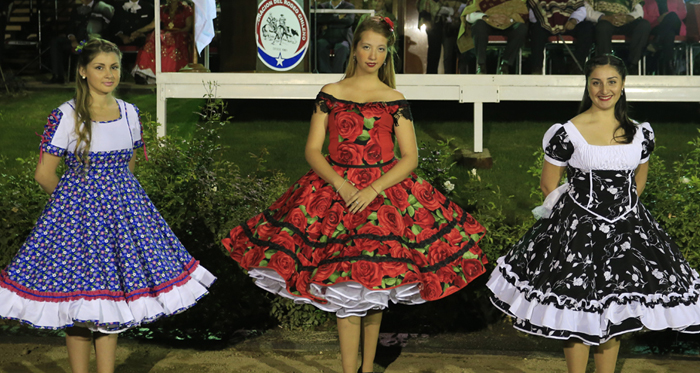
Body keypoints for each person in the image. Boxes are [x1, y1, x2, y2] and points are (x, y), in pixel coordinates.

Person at [222, 16, 488, 373]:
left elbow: (410, 157)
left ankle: (366, 368)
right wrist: (343, 185)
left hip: (383, 198)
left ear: (388, 53)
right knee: (345, 288)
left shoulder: (394, 99)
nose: (373, 55)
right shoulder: (331, 93)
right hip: (336, 193)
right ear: (355, 48)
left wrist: (375, 187)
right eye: (367, 47)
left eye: (380, 49)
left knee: (377, 283)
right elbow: (313, 150)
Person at [0, 38, 215, 373]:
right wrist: (76, 208)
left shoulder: (129, 113)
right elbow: (44, 174)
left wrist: (117, 206)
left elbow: (128, 168)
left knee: (111, 300)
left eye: (114, 66)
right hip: (79, 225)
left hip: (120, 220)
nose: (109, 73)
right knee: (80, 303)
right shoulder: (66, 115)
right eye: (99, 67)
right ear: (83, 71)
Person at [487, 54, 700, 373]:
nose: (604, 89)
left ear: (623, 84)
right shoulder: (568, 132)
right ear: (587, 86)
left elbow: (639, 176)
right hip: (579, 231)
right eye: (596, 82)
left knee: (614, 308)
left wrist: (624, 212)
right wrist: (578, 221)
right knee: (579, 306)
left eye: (612, 82)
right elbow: (549, 184)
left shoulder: (638, 133)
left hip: (626, 230)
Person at [45, 0, 115, 84]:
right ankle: (58, 76)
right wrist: (73, 39)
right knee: (56, 42)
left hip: (94, 41)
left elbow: (108, 29)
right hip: (77, 41)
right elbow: (70, 28)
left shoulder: (102, 8)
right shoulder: (76, 9)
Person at [458, 0, 529, 74]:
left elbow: (523, 14)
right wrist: (486, 18)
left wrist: (510, 20)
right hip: (488, 24)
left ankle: (505, 65)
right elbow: (469, 16)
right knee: (478, 25)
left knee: (521, 28)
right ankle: (481, 65)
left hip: (509, 24)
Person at [132, 0, 193, 84]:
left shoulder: (186, 9)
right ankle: (147, 73)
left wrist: (175, 33)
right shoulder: (162, 9)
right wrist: (138, 31)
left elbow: (188, 26)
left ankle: (171, 75)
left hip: (180, 34)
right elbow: (153, 25)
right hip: (165, 33)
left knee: (171, 41)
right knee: (154, 37)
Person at [528, 0, 594, 74]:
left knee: (587, 27)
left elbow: (581, 9)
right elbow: (533, 15)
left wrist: (574, 20)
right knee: (537, 29)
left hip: (569, 23)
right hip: (546, 24)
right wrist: (547, 20)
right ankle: (537, 68)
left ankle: (577, 66)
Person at [585, 0, 650, 75]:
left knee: (644, 25)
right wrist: (605, 17)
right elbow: (587, 10)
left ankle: (632, 65)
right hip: (604, 20)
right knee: (602, 27)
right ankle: (606, 64)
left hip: (626, 21)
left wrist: (627, 18)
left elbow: (639, 12)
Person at [418, 0, 465, 74]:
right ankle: (431, 77)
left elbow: (463, 4)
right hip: (434, 23)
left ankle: (450, 79)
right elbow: (422, 4)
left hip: (450, 24)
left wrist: (454, 11)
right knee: (434, 53)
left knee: (449, 54)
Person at [643, 0, 687, 75]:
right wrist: (658, 20)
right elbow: (644, 16)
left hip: (675, 25)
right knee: (669, 34)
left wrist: (666, 16)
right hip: (657, 27)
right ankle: (668, 66)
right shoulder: (646, 1)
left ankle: (656, 42)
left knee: (672, 16)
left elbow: (683, 13)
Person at [316, 0, 355, 73]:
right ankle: (325, 73)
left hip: (342, 37)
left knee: (343, 47)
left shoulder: (349, 7)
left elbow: (349, 21)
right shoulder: (323, 6)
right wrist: (339, 18)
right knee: (320, 44)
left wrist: (329, 23)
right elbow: (320, 19)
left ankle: (337, 73)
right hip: (326, 36)